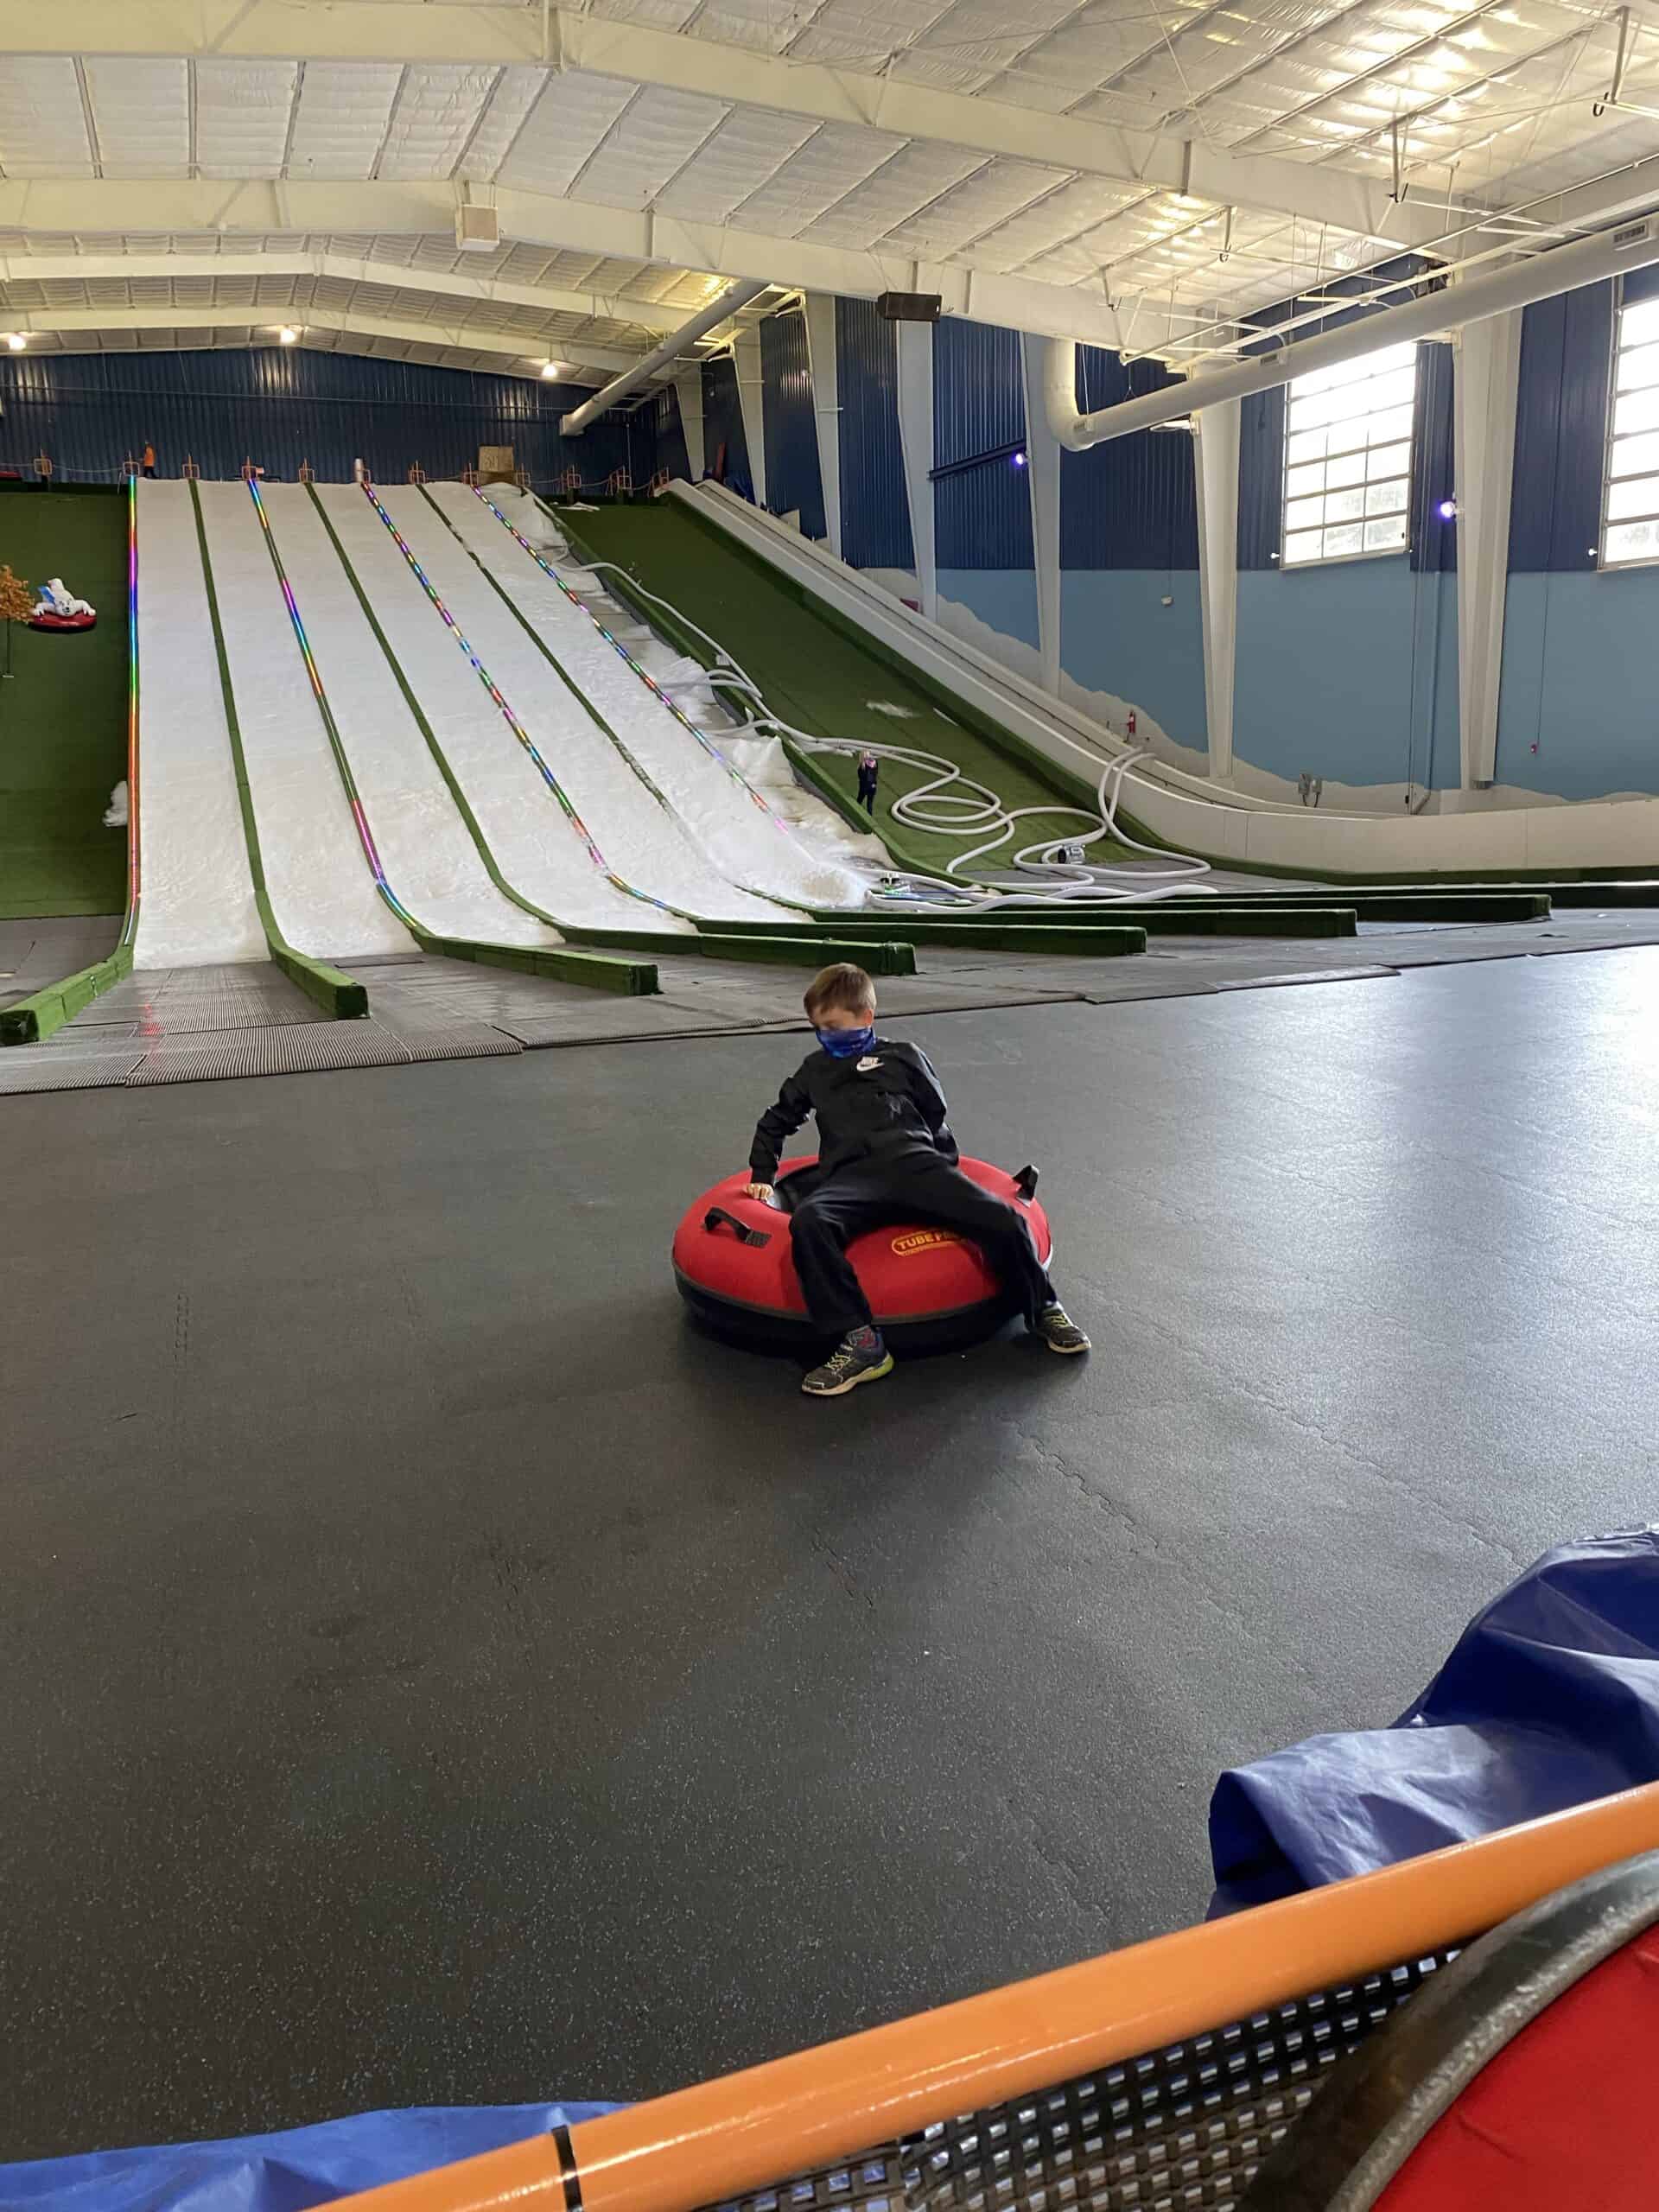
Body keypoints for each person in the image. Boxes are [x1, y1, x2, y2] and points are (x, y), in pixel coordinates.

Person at [745, 963, 1090, 1397]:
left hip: (915, 1164)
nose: (825, 1035)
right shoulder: (814, 1070)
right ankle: (861, 1342)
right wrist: (762, 1172)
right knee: (810, 1223)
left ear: (866, 1016)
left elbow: (935, 1110)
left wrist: (940, 1166)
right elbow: (777, 1120)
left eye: (833, 1025)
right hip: (852, 1178)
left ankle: (1044, 1309)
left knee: (1002, 1217)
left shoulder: (903, 1055)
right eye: (818, 1028)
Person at [855, 749, 880, 814]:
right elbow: (875, 773)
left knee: (859, 801)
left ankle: (855, 813)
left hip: (864, 787)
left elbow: (861, 778)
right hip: (873, 786)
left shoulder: (861, 766)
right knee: (869, 804)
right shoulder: (875, 763)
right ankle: (870, 818)